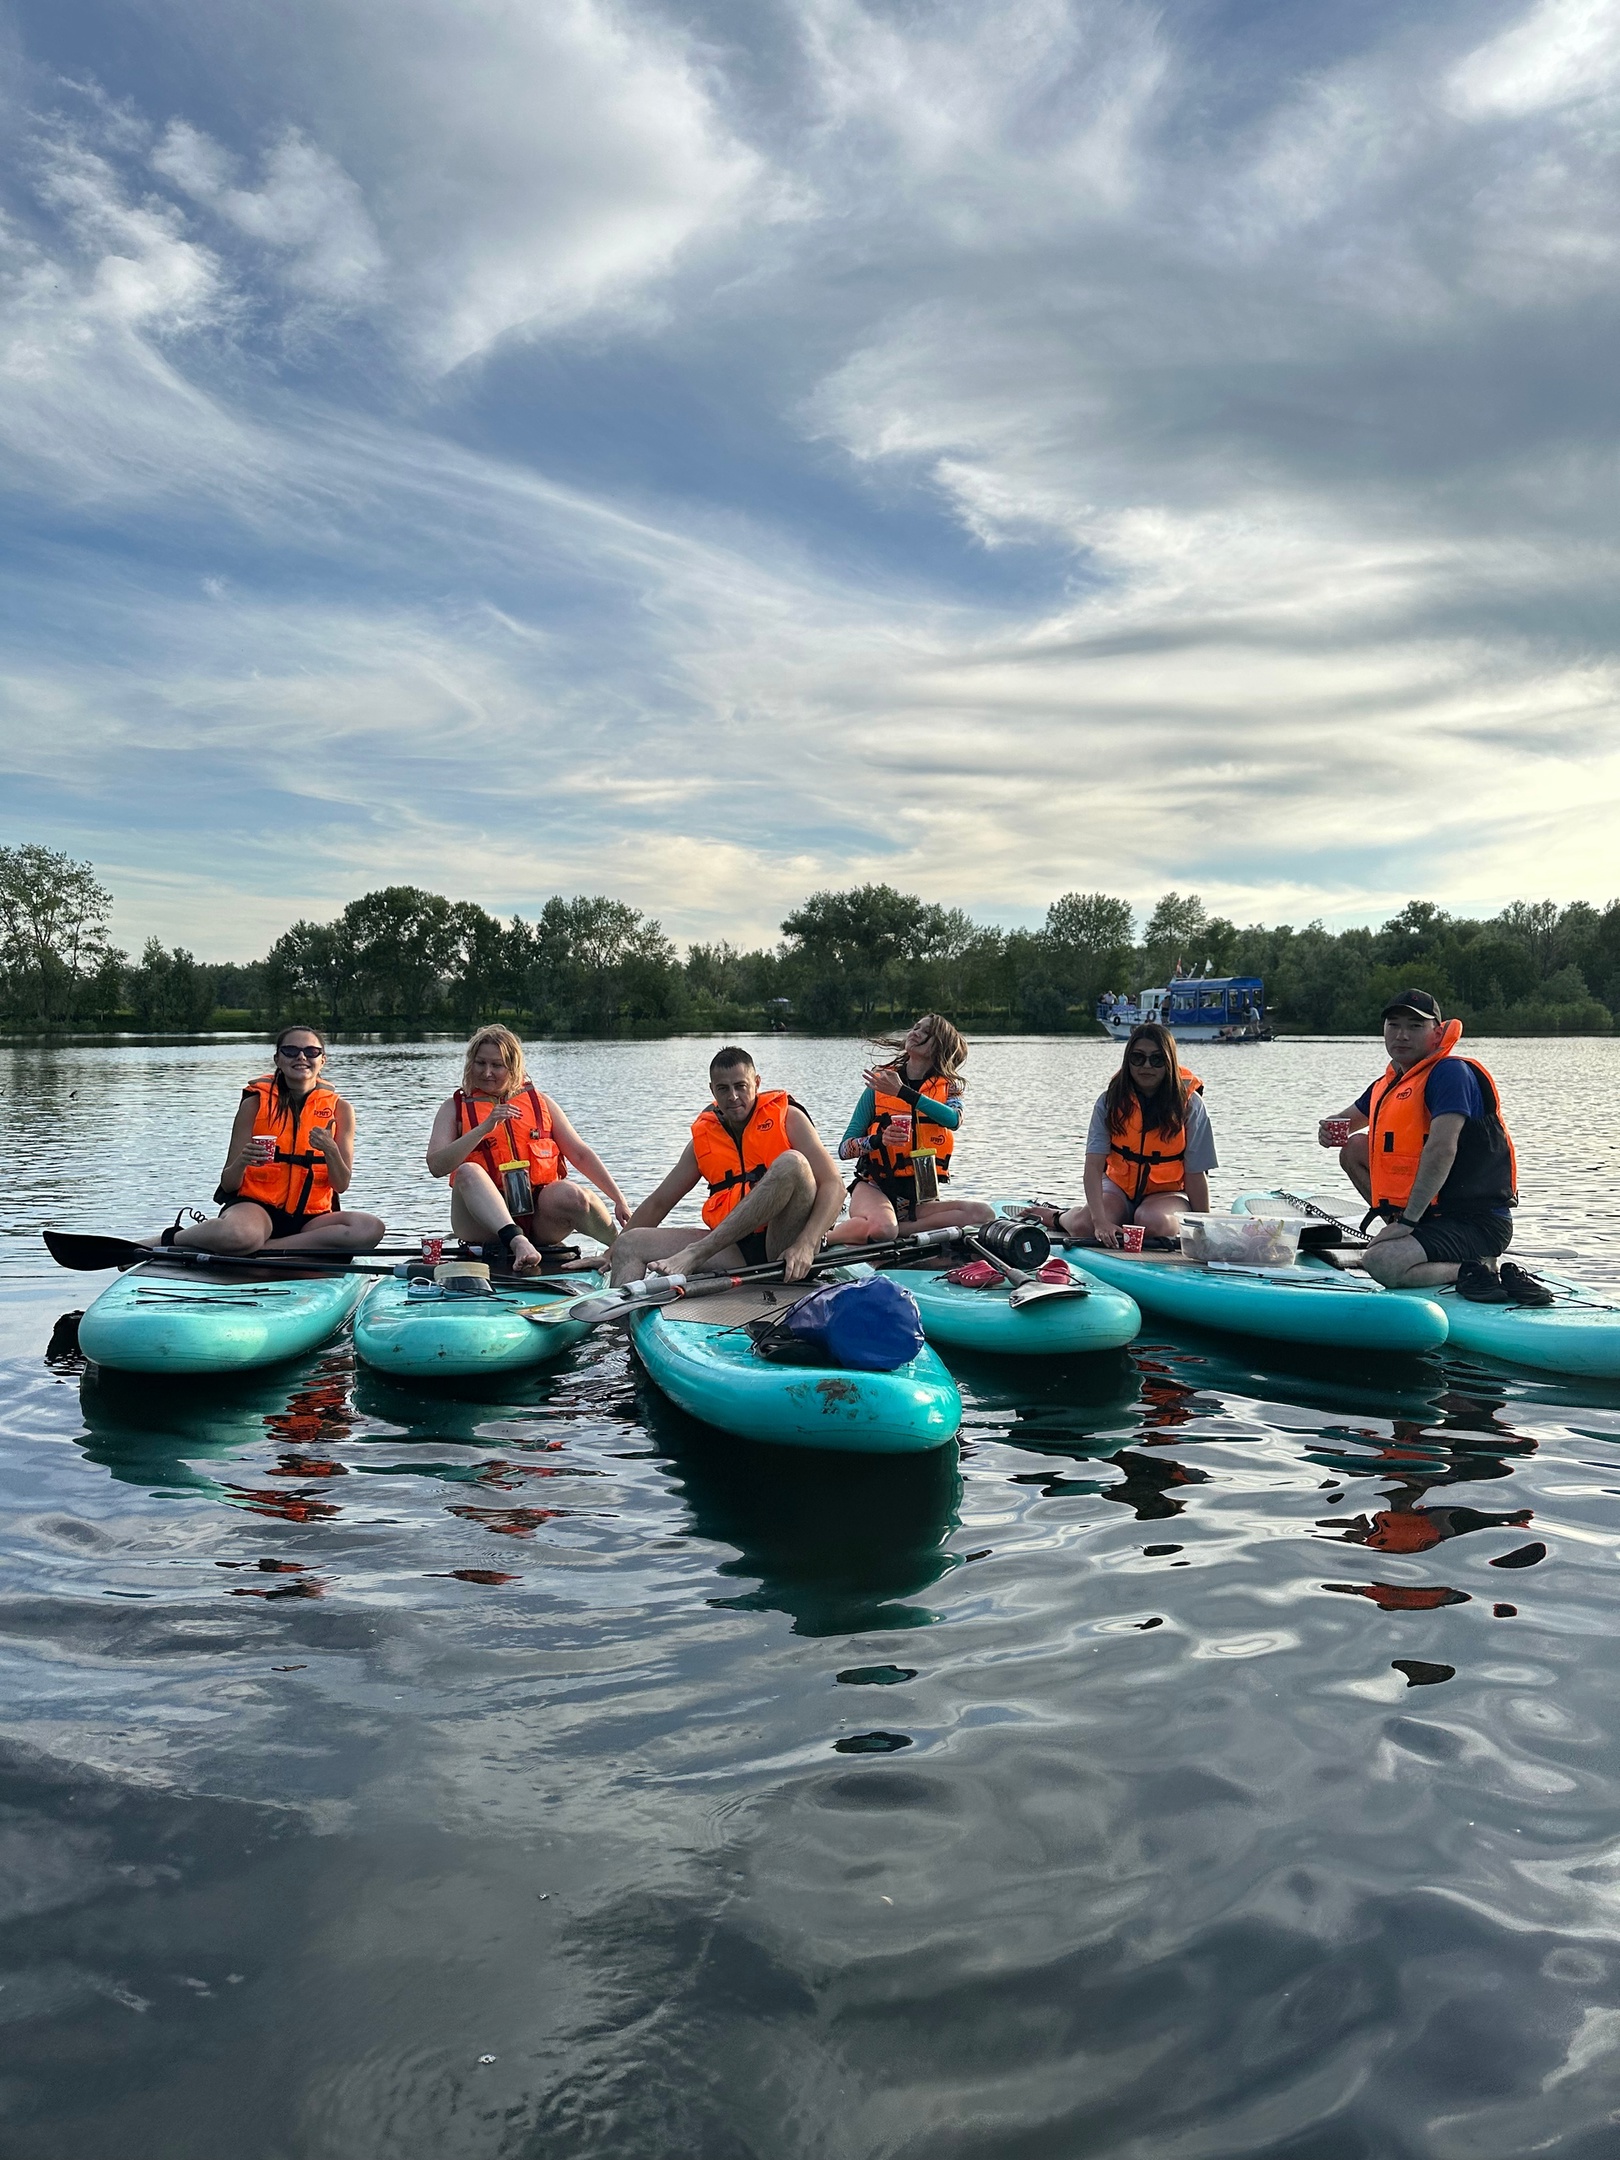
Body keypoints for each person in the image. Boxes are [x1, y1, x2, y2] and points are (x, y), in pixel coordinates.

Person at [1320, 988, 1545, 1303]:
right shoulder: (1390, 1083)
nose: (1402, 1035)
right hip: (1431, 1218)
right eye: (1394, 1025)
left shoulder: (1450, 1073)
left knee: (1380, 1262)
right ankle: (1404, 1234)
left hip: (1477, 1222)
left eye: (1415, 1026)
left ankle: (1479, 1266)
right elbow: (1344, 1123)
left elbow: (1442, 1149)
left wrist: (1410, 1222)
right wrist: (1328, 1131)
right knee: (1353, 1149)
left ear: (1437, 1033)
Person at [610, 1046, 846, 1284]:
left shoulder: (789, 1118)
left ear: (756, 1083)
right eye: (723, 1089)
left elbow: (835, 1186)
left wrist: (806, 1243)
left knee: (793, 1163)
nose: (732, 1097)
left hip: (785, 1247)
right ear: (712, 1090)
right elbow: (659, 1202)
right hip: (735, 1250)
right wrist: (611, 1252)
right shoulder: (704, 1140)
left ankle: (696, 1253)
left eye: (740, 1086)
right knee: (629, 1243)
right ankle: (618, 1317)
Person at [149, 1026, 386, 1256]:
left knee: (369, 1228)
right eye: (290, 1051)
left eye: (311, 1052)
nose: (301, 1057)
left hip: (311, 1220)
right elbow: (229, 1184)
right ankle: (170, 1239)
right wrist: (242, 1161)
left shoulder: (341, 1110)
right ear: (278, 1059)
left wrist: (330, 1149)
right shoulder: (254, 1104)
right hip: (257, 1211)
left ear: (322, 1060)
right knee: (241, 1234)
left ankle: (264, 1248)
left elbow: (341, 1184)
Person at [425, 1026, 630, 1274]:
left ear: (513, 1067)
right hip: (479, 1224)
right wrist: (483, 1128)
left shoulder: (541, 1103)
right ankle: (517, 1241)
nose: (487, 1072)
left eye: (496, 1065)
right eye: (480, 1063)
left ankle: (622, 1245)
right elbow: (436, 1166)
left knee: (571, 1194)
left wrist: (618, 1199)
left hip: (538, 1219)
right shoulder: (453, 1108)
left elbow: (580, 1154)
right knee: (469, 1171)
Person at [1024, 1022, 1214, 1247]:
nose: (1146, 1066)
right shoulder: (1109, 1102)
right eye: (1137, 1057)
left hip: (1168, 1193)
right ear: (1128, 1060)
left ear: (1169, 1063)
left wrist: (1205, 1230)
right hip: (1118, 1188)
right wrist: (1100, 1221)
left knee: (1151, 1223)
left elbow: (1195, 1174)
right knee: (1086, 1225)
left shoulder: (1191, 1105)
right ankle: (1058, 1217)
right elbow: (1093, 1167)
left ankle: (1137, 1220)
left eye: (1157, 1059)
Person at [825, 1014, 994, 1245]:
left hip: (919, 1198)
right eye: (915, 1027)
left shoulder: (950, 1088)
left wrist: (904, 1093)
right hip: (875, 1188)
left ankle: (900, 1230)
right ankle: (823, 1238)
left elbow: (954, 1120)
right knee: (884, 1229)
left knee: (984, 1214)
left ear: (939, 1046)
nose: (915, 1033)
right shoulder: (877, 1088)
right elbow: (844, 1150)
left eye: (926, 1032)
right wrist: (878, 1140)